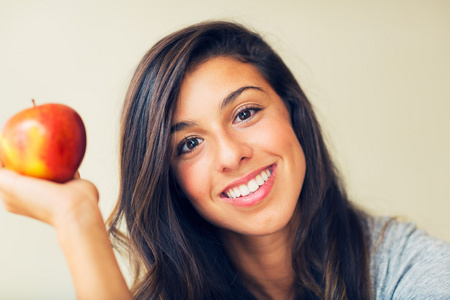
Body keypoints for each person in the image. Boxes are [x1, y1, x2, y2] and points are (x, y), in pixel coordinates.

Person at [0, 21, 449, 300]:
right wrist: (77, 220)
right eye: (189, 144)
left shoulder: (399, 264)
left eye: (246, 113)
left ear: (292, 112)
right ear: (169, 180)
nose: (232, 155)